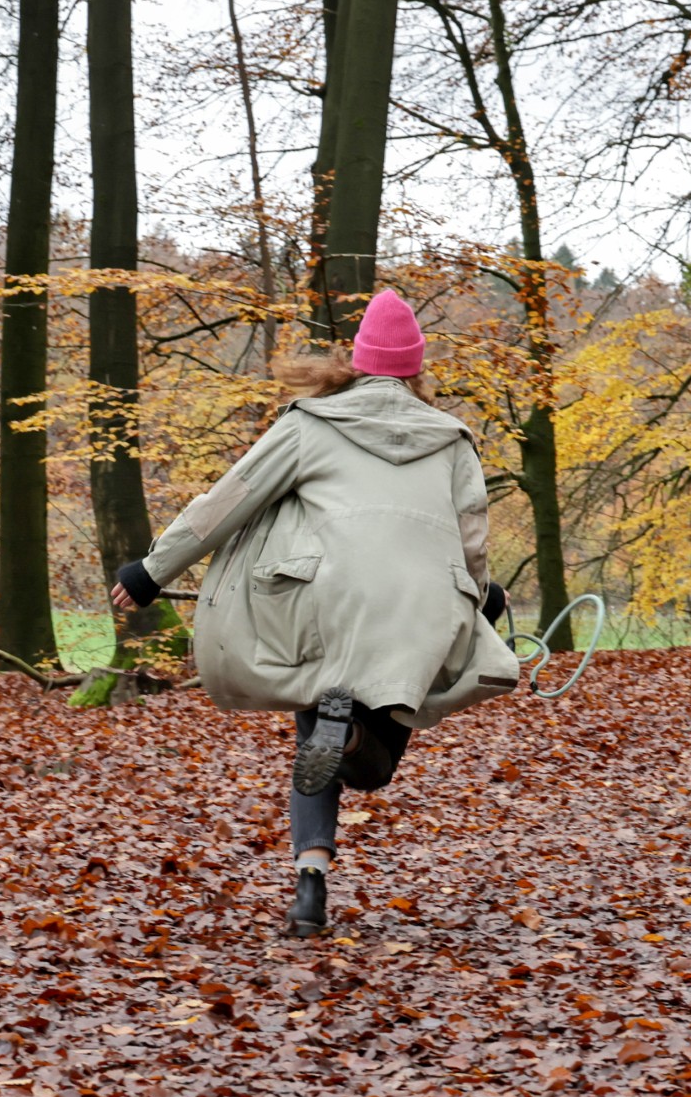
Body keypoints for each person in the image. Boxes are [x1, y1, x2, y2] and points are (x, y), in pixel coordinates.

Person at [111, 290, 519, 936]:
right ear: (416, 369)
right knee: (374, 764)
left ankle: (309, 890)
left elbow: (229, 500)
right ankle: (351, 737)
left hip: (324, 605)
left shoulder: (311, 425)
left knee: (317, 722)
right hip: (415, 616)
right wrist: (484, 596)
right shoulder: (453, 441)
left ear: (356, 361)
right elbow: (471, 541)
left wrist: (150, 572)